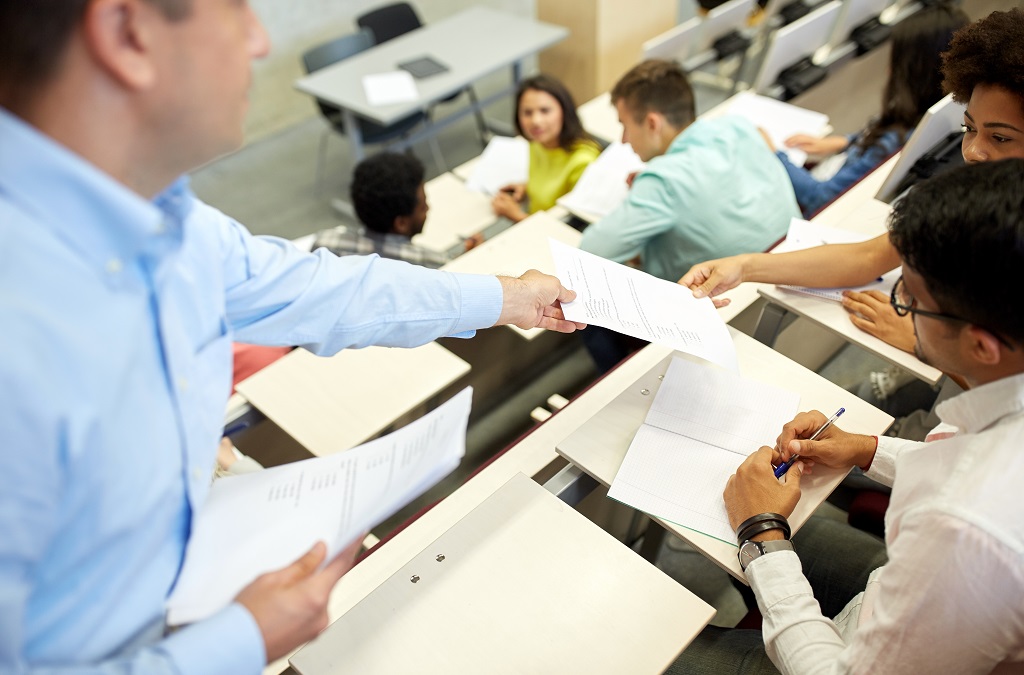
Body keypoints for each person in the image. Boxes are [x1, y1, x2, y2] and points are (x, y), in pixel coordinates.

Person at [0, 1, 584, 672]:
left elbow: (321, 290)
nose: (259, 40)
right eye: (235, 11)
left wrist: (506, 297)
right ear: (127, 31)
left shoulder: (167, 212)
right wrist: (238, 642)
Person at [669, 158, 1024, 674]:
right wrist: (867, 448)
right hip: (907, 601)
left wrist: (763, 533)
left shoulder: (963, 526)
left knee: (648, 654)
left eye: (911, 301)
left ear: (981, 346)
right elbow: (963, 461)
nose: (899, 306)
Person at [680, 8, 1024, 353]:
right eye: (969, 129)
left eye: (1001, 138)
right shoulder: (974, 197)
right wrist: (743, 266)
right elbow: (868, 257)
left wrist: (922, 347)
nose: (973, 152)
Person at [578, 59, 799, 370]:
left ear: (653, 123)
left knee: (588, 308)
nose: (624, 139)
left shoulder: (664, 179)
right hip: (783, 282)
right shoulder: (736, 126)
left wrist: (649, 189)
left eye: (625, 125)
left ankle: (618, 383)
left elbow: (590, 253)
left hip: (716, 319)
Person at [769, 3, 969, 217]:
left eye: (896, 60)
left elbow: (821, 198)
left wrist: (774, 154)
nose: (888, 69)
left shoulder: (890, 143)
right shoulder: (937, 114)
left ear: (914, 73)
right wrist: (845, 142)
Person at [315, 151, 480, 268]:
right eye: (422, 206)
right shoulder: (429, 263)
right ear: (401, 223)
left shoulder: (325, 244)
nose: (428, 208)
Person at [491, 74, 601, 222]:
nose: (535, 121)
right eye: (527, 113)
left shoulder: (583, 163)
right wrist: (527, 188)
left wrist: (515, 215)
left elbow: (566, 228)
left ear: (564, 111)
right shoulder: (538, 142)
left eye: (545, 111)